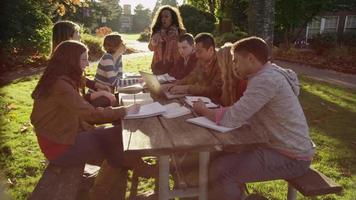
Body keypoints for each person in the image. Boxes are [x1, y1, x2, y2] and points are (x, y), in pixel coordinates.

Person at [193, 36, 315, 200]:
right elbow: (241, 113)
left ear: (250, 59)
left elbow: (232, 118)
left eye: (236, 61)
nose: (233, 65)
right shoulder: (266, 75)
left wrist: (203, 110)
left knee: (222, 171)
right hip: (279, 147)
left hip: (291, 156)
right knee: (217, 160)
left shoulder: (266, 80)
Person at [30, 40, 140, 199]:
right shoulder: (61, 85)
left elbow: (81, 92)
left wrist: (97, 89)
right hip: (61, 148)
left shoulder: (60, 78)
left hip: (59, 139)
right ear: (70, 61)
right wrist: (125, 110)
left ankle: (105, 187)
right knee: (120, 137)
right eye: (84, 59)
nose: (88, 63)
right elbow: (92, 115)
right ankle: (104, 189)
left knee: (115, 139)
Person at [52, 20, 115, 107]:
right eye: (77, 33)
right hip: (71, 110)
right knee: (108, 99)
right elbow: (73, 100)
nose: (80, 36)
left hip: (77, 104)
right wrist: (100, 94)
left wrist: (96, 85)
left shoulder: (67, 58)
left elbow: (78, 78)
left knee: (112, 98)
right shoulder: (61, 67)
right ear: (69, 37)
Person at [167, 33, 223, 103]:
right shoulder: (201, 60)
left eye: (199, 51)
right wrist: (176, 84)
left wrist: (188, 88)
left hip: (217, 105)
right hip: (203, 100)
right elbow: (192, 76)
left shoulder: (222, 63)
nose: (196, 55)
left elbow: (214, 90)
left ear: (211, 49)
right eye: (196, 51)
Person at [148, 5, 186, 75]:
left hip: (174, 68)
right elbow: (150, 48)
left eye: (166, 16)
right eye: (162, 17)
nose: (163, 19)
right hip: (158, 67)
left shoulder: (180, 32)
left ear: (172, 18)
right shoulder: (157, 31)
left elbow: (184, 49)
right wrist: (153, 43)